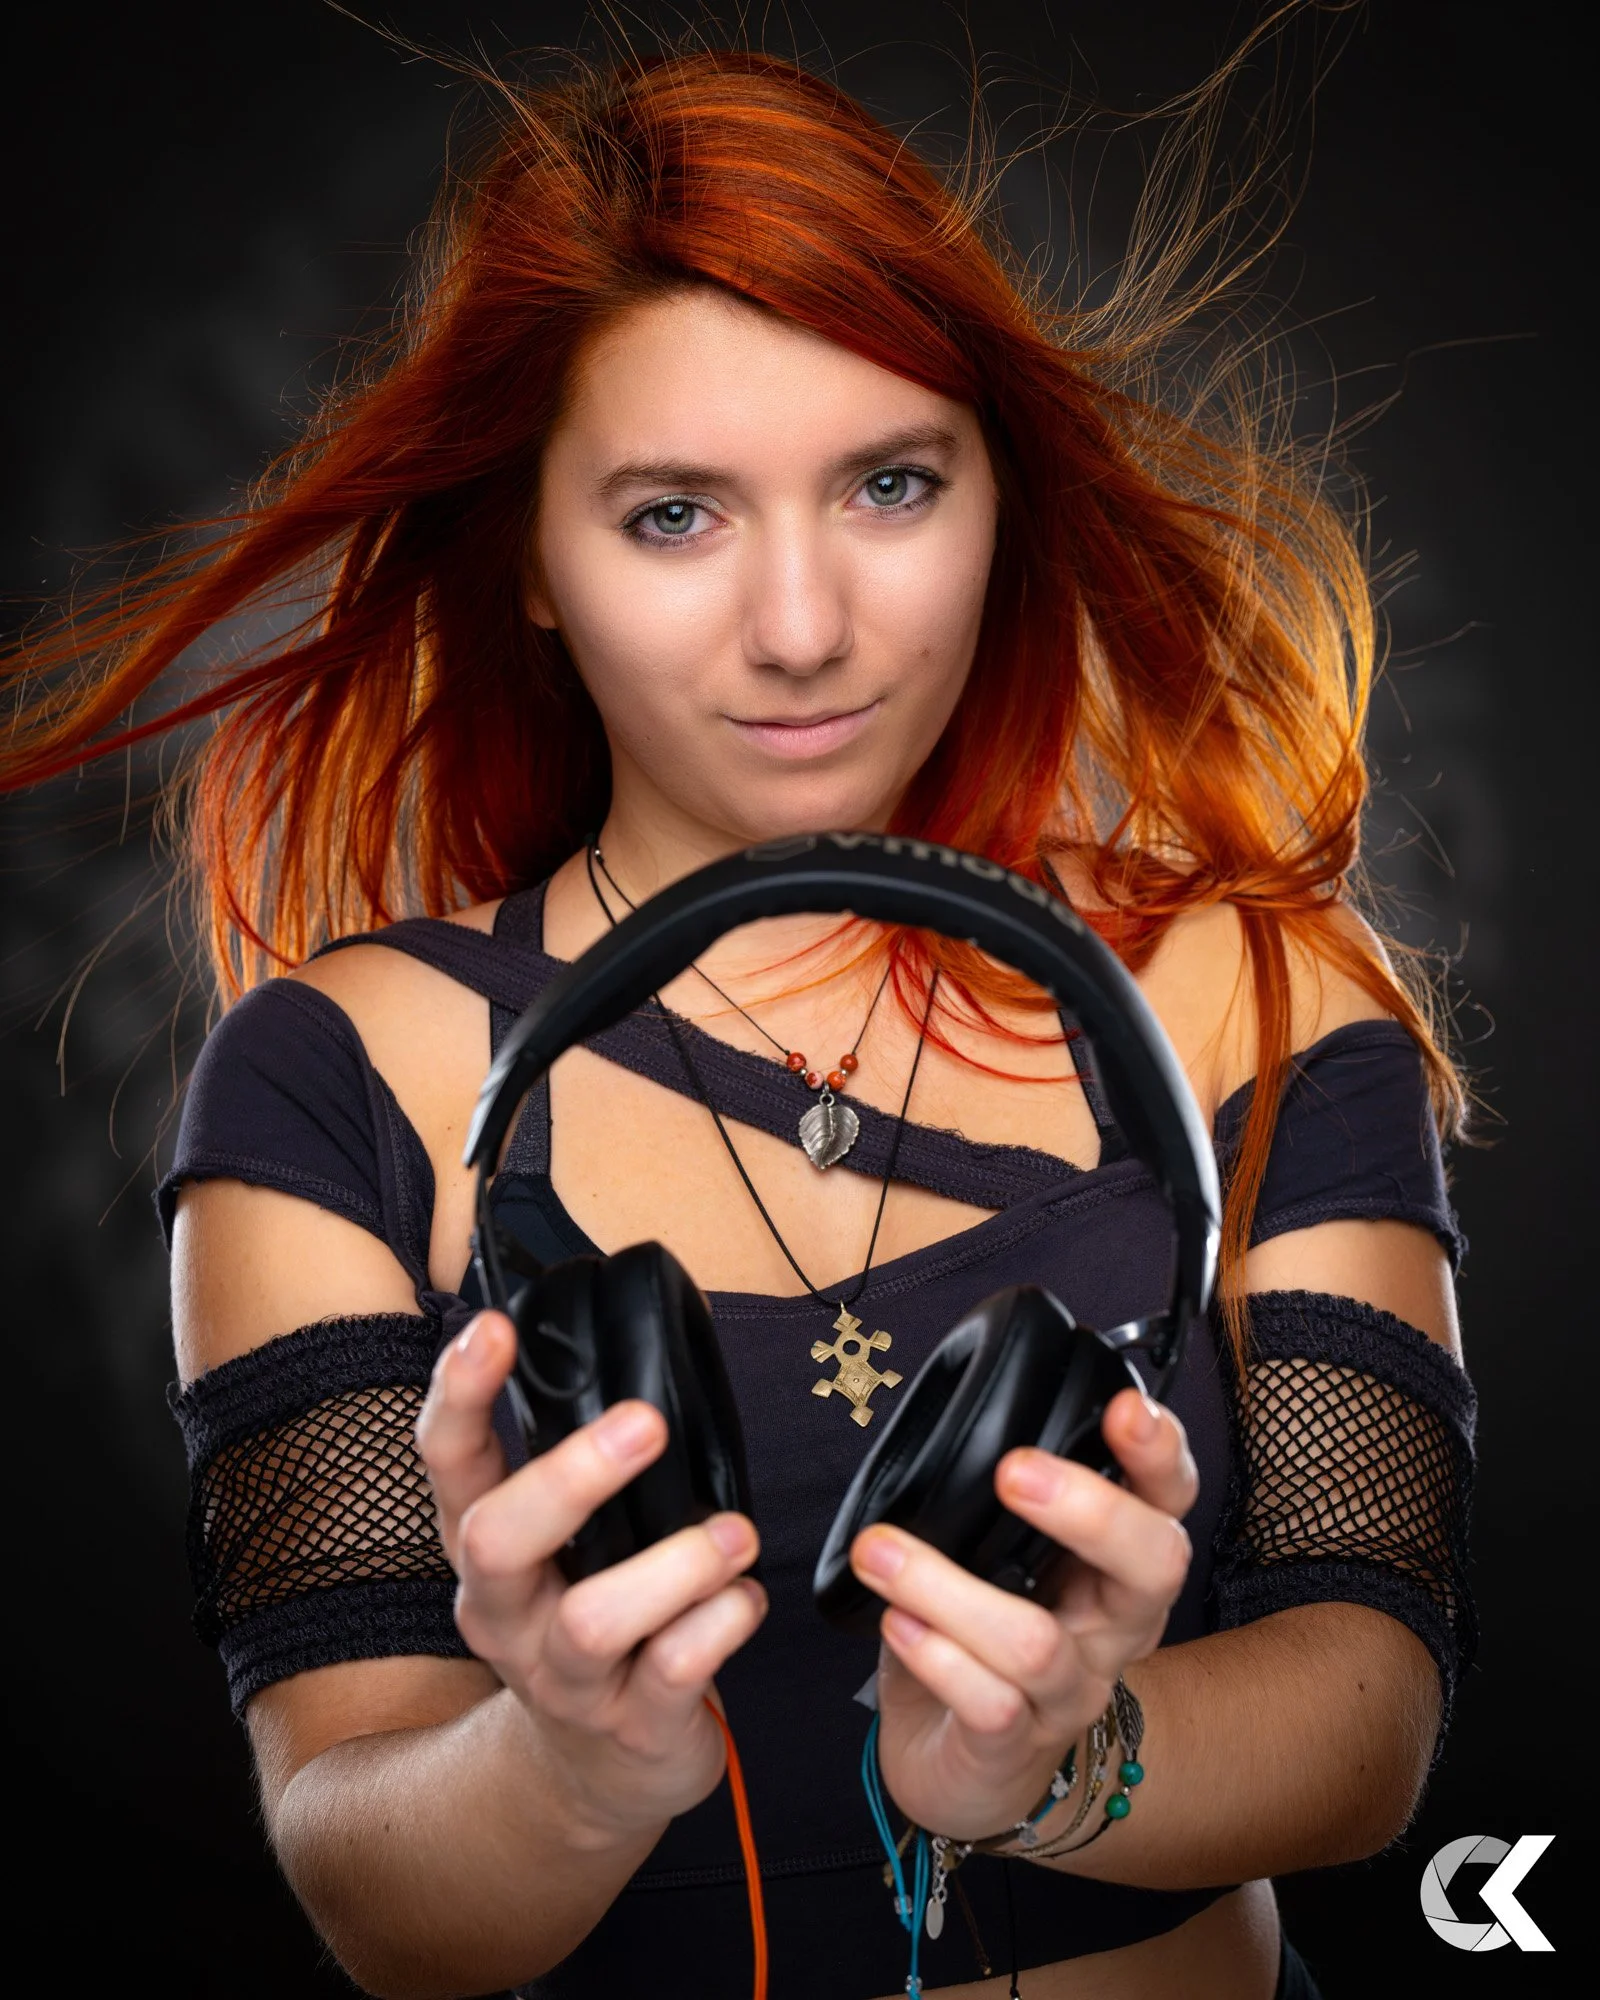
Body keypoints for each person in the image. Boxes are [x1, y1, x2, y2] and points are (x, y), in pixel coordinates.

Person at [1, 40, 1475, 2000]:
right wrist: (567, 1762)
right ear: (527, 552)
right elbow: (372, 1895)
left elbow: (1367, 1708)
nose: (800, 626)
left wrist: (1057, 1766)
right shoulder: (334, 1080)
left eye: (886, 485)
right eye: (673, 516)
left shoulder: (1239, 986)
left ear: (993, 494)